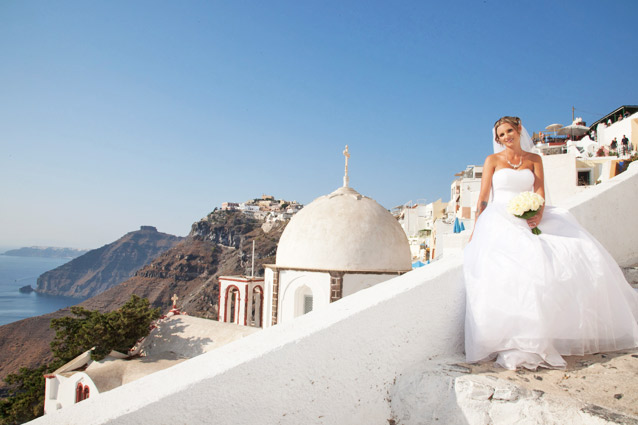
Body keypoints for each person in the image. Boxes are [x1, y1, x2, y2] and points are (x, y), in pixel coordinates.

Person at [464, 116, 638, 370]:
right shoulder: (492, 161)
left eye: (509, 131)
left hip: (530, 216)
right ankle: (517, 334)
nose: (506, 138)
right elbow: (482, 199)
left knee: (577, 252)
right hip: (499, 217)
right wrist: (476, 228)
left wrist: (538, 213)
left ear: (518, 130)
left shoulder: (535, 159)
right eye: (501, 135)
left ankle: (553, 332)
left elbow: (540, 191)